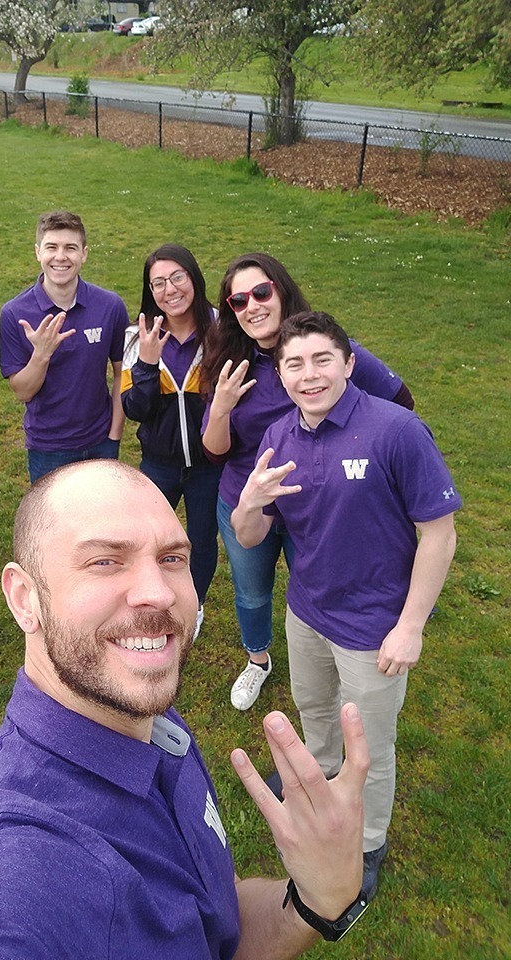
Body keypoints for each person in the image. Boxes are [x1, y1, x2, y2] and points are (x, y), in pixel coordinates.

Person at [0, 459, 371, 960]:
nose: (159, 593)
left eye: (171, 558)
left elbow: (215, 925)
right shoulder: (1, 878)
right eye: (105, 561)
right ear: (24, 598)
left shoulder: (150, 722)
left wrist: (316, 899)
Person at [232, 310, 460, 899]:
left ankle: (368, 840)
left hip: (375, 627)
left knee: (371, 747)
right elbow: (250, 534)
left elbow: (439, 532)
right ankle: (317, 784)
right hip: (307, 612)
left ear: (349, 364)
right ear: (280, 375)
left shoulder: (396, 431)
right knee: (314, 711)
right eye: (294, 364)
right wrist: (250, 503)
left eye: (322, 359)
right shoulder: (279, 435)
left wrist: (411, 627)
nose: (309, 376)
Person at [201, 253, 415, 712]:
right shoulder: (228, 360)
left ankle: (334, 674)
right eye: (238, 300)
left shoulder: (327, 348)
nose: (252, 306)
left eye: (261, 292)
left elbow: (400, 401)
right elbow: (214, 452)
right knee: (252, 591)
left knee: (321, 590)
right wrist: (220, 406)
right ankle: (258, 661)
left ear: (281, 289)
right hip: (248, 501)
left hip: (322, 504)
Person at [122, 244, 220, 636]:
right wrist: (146, 361)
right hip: (158, 463)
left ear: (194, 277)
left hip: (210, 466)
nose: (170, 289)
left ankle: (193, 605)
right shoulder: (139, 335)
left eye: (177, 277)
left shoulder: (221, 328)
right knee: (150, 539)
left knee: (201, 538)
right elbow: (136, 409)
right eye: (158, 283)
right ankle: (149, 598)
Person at [0, 210, 128, 482]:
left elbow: (121, 374)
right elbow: (22, 392)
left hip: (101, 441)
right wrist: (41, 355)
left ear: (84, 253)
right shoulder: (14, 314)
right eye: (51, 247)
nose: (60, 257)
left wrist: (114, 434)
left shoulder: (110, 306)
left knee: (101, 522)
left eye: (70, 248)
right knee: (55, 525)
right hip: (47, 448)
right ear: (37, 252)